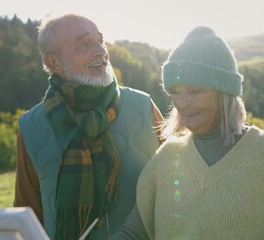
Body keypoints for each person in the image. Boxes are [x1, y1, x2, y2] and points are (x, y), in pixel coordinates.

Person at [112, 26, 264, 239]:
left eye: (195, 91)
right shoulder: (166, 159)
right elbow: (133, 233)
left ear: (225, 94)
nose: (182, 103)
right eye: (175, 92)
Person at [13, 13, 163, 240]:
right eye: (85, 44)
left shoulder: (143, 106)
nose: (102, 51)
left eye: (100, 40)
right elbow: (26, 213)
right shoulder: (30, 128)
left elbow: (181, 184)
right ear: (53, 62)